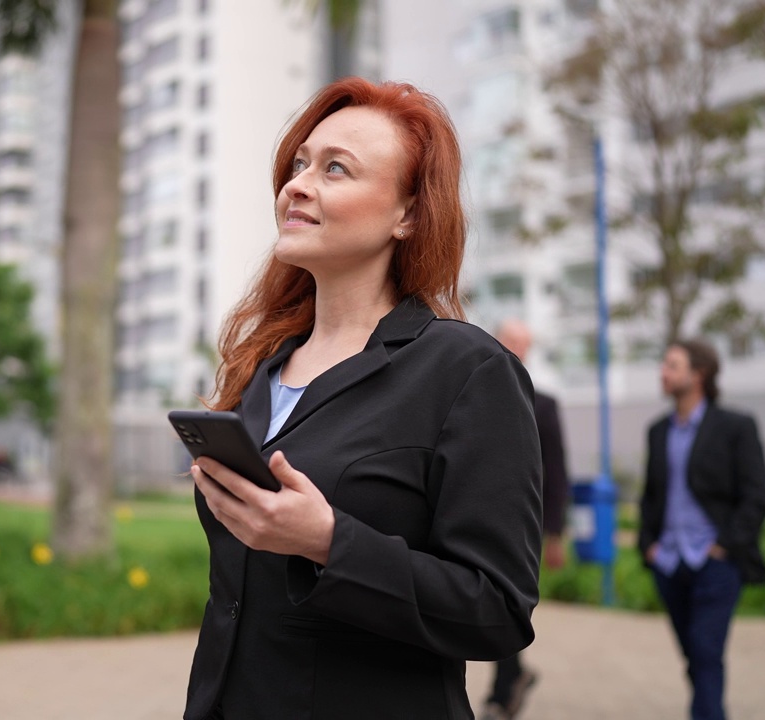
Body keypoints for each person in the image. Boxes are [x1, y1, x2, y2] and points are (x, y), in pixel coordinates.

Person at [184, 77, 543, 720]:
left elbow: (497, 608)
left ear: (407, 214)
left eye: (336, 169)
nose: (298, 184)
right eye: (299, 164)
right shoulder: (260, 371)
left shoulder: (467, 372)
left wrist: (329, 542)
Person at [639, 338, 765, 720]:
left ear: (699, 375)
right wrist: (648, 544)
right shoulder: (658, 431)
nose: (662, 373)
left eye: (672, 365)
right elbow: (651, 496)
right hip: (669, 562)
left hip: (715, 563)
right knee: (695, 656)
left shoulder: (735, 427)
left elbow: (757, 494)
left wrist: (725, 544)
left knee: (705, 650)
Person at [481, 320, 571, 720]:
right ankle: (512, 678)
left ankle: (506, 686)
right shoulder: (476, 394)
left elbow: (557, 472)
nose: (517, 350)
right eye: (510, 342)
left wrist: (555, 534)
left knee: (505, 602)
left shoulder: (544, 404)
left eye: (523, 344)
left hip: (525, 524)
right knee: (488, 600)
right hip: (478, 515)